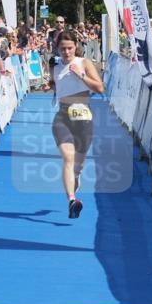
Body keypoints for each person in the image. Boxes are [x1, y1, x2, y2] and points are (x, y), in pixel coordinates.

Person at [45, 30, 104, 219]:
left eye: (70, 48)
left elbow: (100, 88)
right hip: (62, 116)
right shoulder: (53, 65)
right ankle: (72, 200)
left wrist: (81, 76)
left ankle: (75, 179)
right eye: (62, 49)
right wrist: (50, 86)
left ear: (76, 46)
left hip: (83, 117)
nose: (66, 52)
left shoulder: (84, 63)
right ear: (57, 48)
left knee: (77, 165)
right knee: (68, 159)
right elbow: (55, 83)